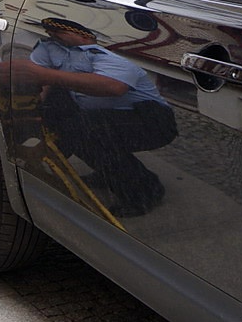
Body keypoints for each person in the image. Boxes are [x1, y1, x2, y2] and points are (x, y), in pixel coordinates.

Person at [11, 18, 177, 216]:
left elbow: (114, 87)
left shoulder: (105, 57)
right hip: (102, 113)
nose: (52, 35)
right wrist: (35, 109)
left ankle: (144, 190)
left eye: (59, 32)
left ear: (84, 36)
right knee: (73, 124)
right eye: (50, 32)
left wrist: (48, 77)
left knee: (87, 130)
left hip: (150, 119)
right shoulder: (52, 48)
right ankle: (107, 173)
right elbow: (42, 80)